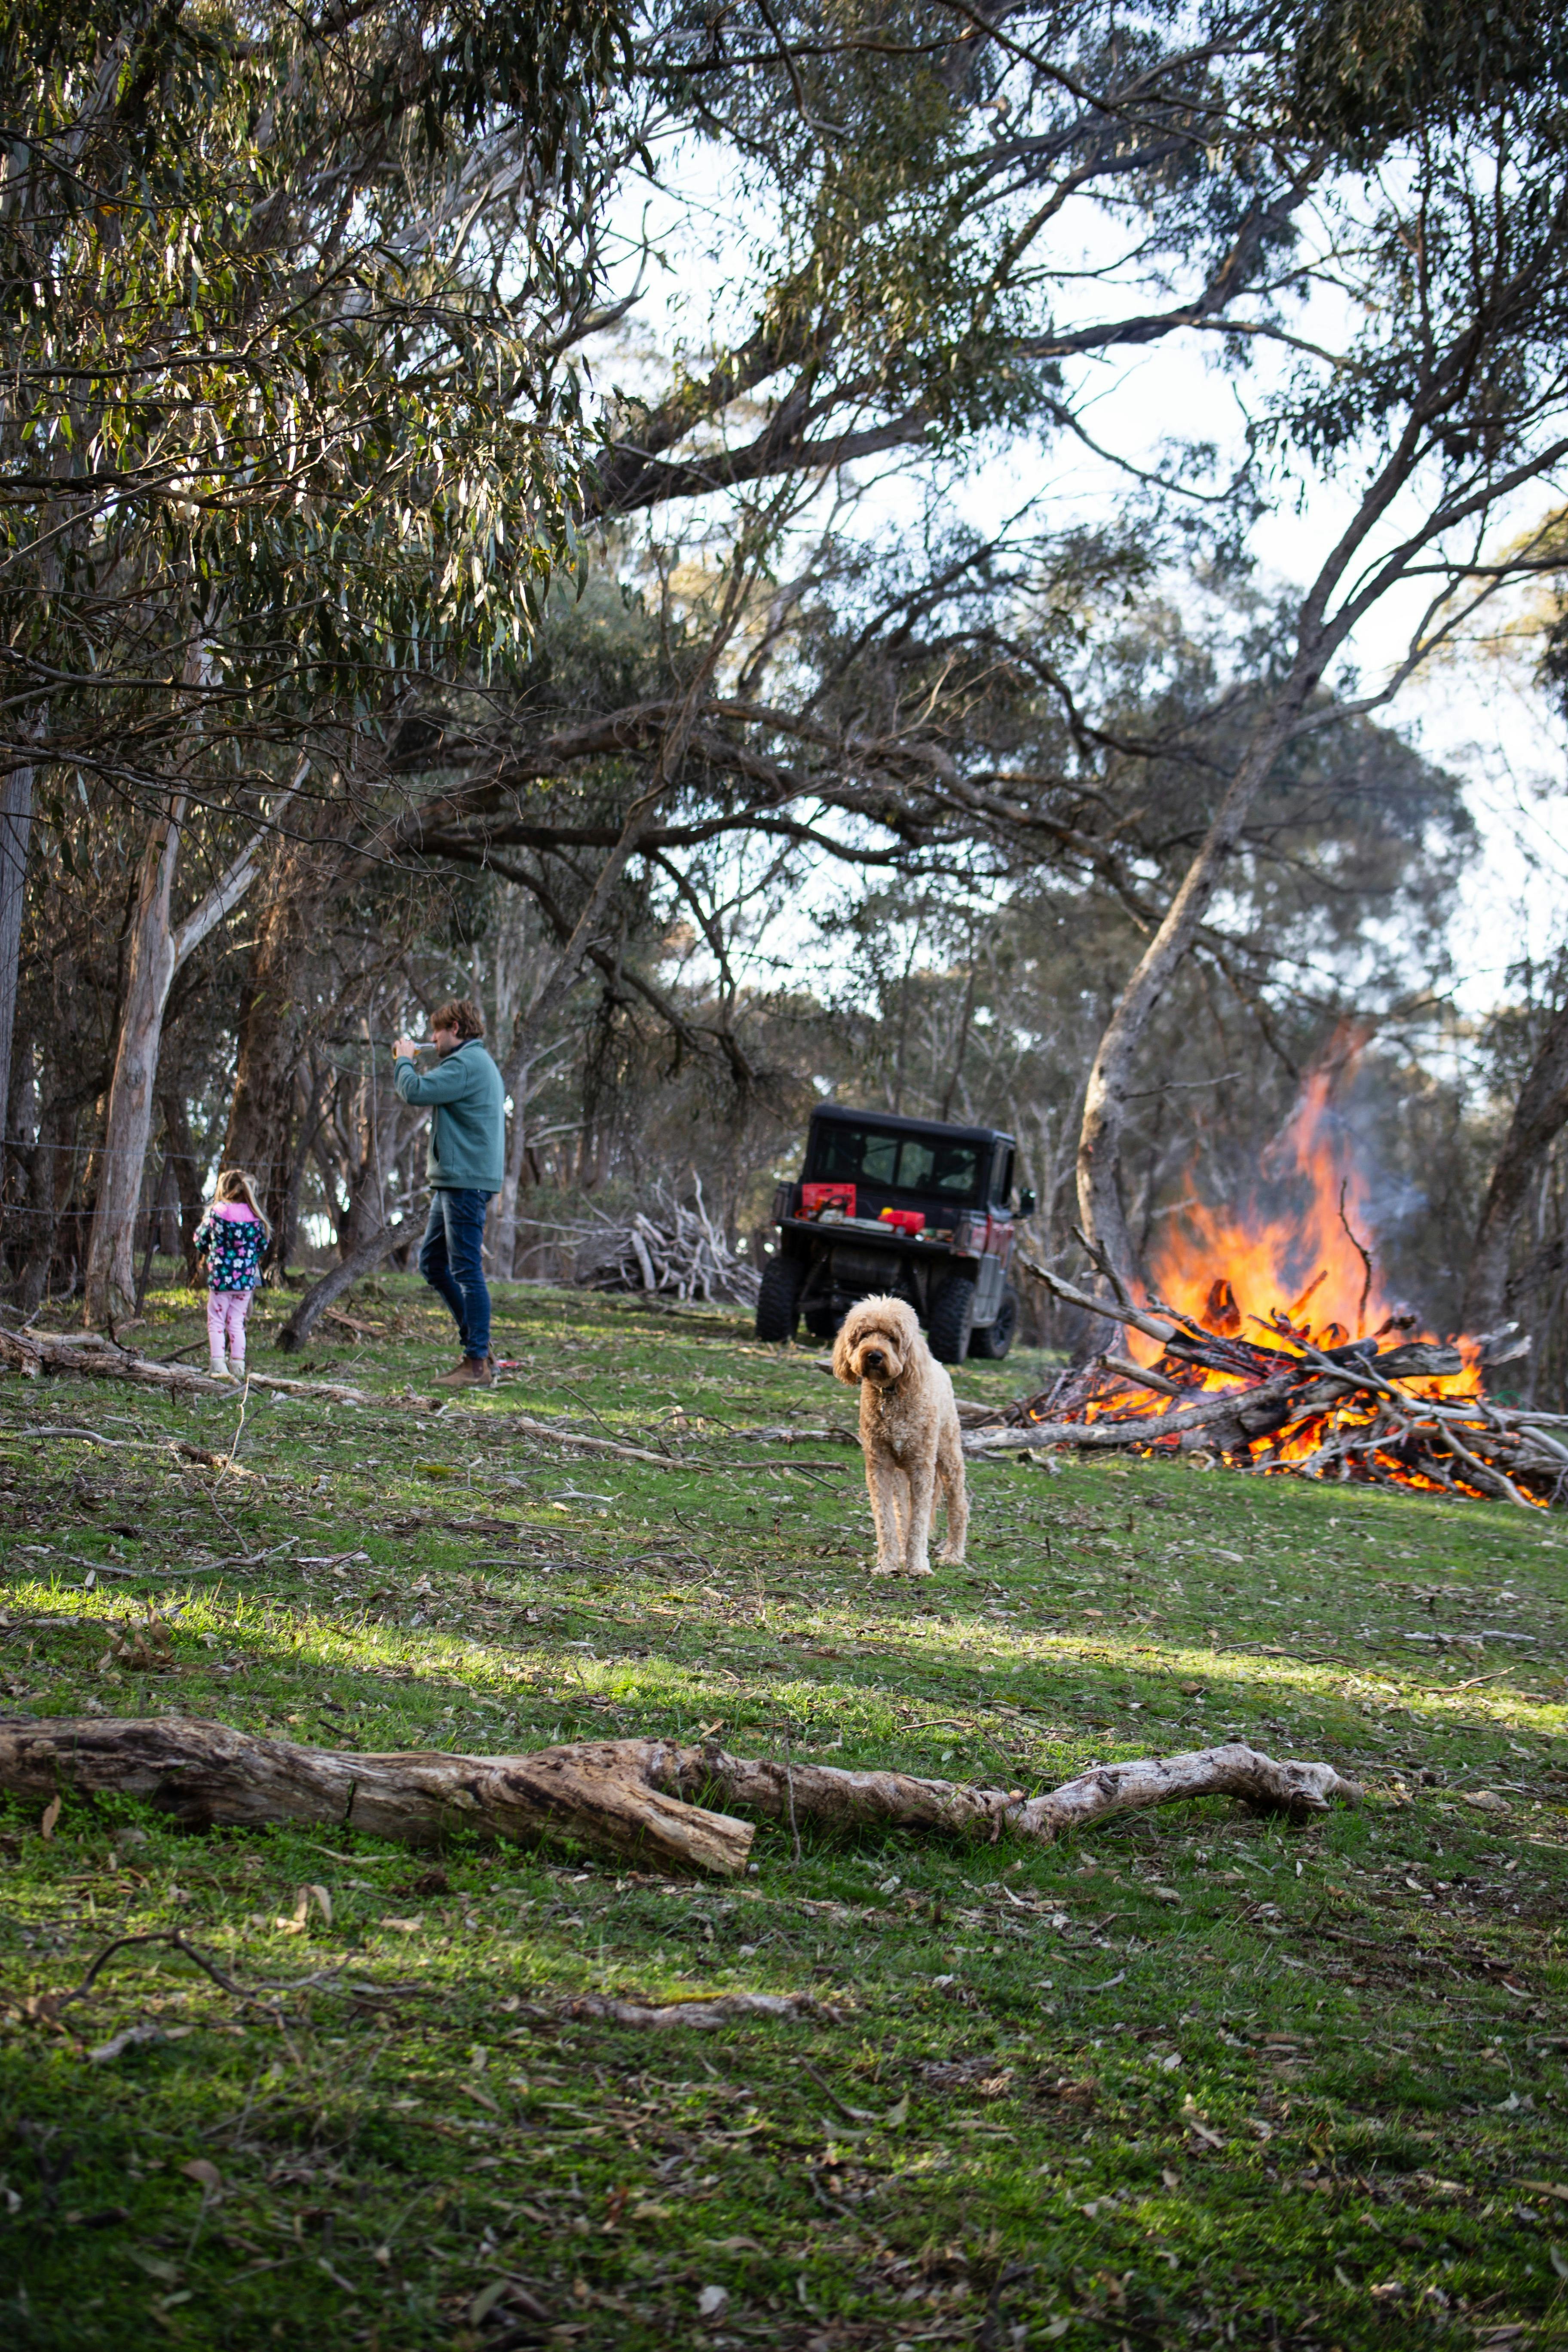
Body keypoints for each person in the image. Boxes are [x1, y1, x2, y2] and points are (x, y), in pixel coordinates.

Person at [391, 996, 506, 1388]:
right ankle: (479, 1346)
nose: (431, 1039)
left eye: (436, 1031)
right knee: (433, 1265)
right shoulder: (471, 1063)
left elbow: (415, 1092)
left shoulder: (467, 1064)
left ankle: (476, 1365)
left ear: (455, 1029)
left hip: (465, 1181)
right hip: (456, 1180)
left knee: (468, 1272)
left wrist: (404, 1059)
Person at [192, 1169, 270, 1380]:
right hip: (245, 1281)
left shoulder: (217, 1212)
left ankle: (218, 1365)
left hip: (221, 1279)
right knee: (237, 1322)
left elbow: (200, 1240)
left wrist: (211, 1248)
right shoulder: (255, 1216)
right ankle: (238, 1366)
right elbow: (263, 1245)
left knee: (217, 1321)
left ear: (224, 1189)